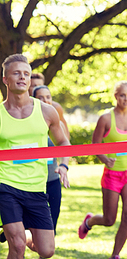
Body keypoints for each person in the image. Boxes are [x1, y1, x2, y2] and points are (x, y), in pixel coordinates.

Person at [0, 54, 71, 259]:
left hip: (37, 187)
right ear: (6, 79)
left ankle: (19, 230)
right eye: (16, 73)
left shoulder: (47, 112)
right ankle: (16, 233)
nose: (22, 78)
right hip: (6, 185)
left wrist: (64, 166)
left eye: (26, 74)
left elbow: (63, 142)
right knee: (18, 246)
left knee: (47, 250)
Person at [78, 81, 127, 259]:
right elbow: (95, 146)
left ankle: (115, 255)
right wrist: (105, 159)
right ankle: (89, 221)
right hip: (112, 175)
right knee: (109, 220)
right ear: (115, 96)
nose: (126, 99)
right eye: (122, 95)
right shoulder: (105, 119)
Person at [32, 85, 71, 235]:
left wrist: (64, 166)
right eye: (40, 97)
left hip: (52, 178)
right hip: (33, 181)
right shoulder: (28, 122)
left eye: (48, 97)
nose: (45, 101)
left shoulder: (57, 123)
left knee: (51, 228)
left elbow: (65, 146)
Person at [29, 73, 70, 140]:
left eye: (40, 85)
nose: (37, 88)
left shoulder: (55, 107)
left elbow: (64, 131)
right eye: (34, 86)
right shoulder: (24, 107)